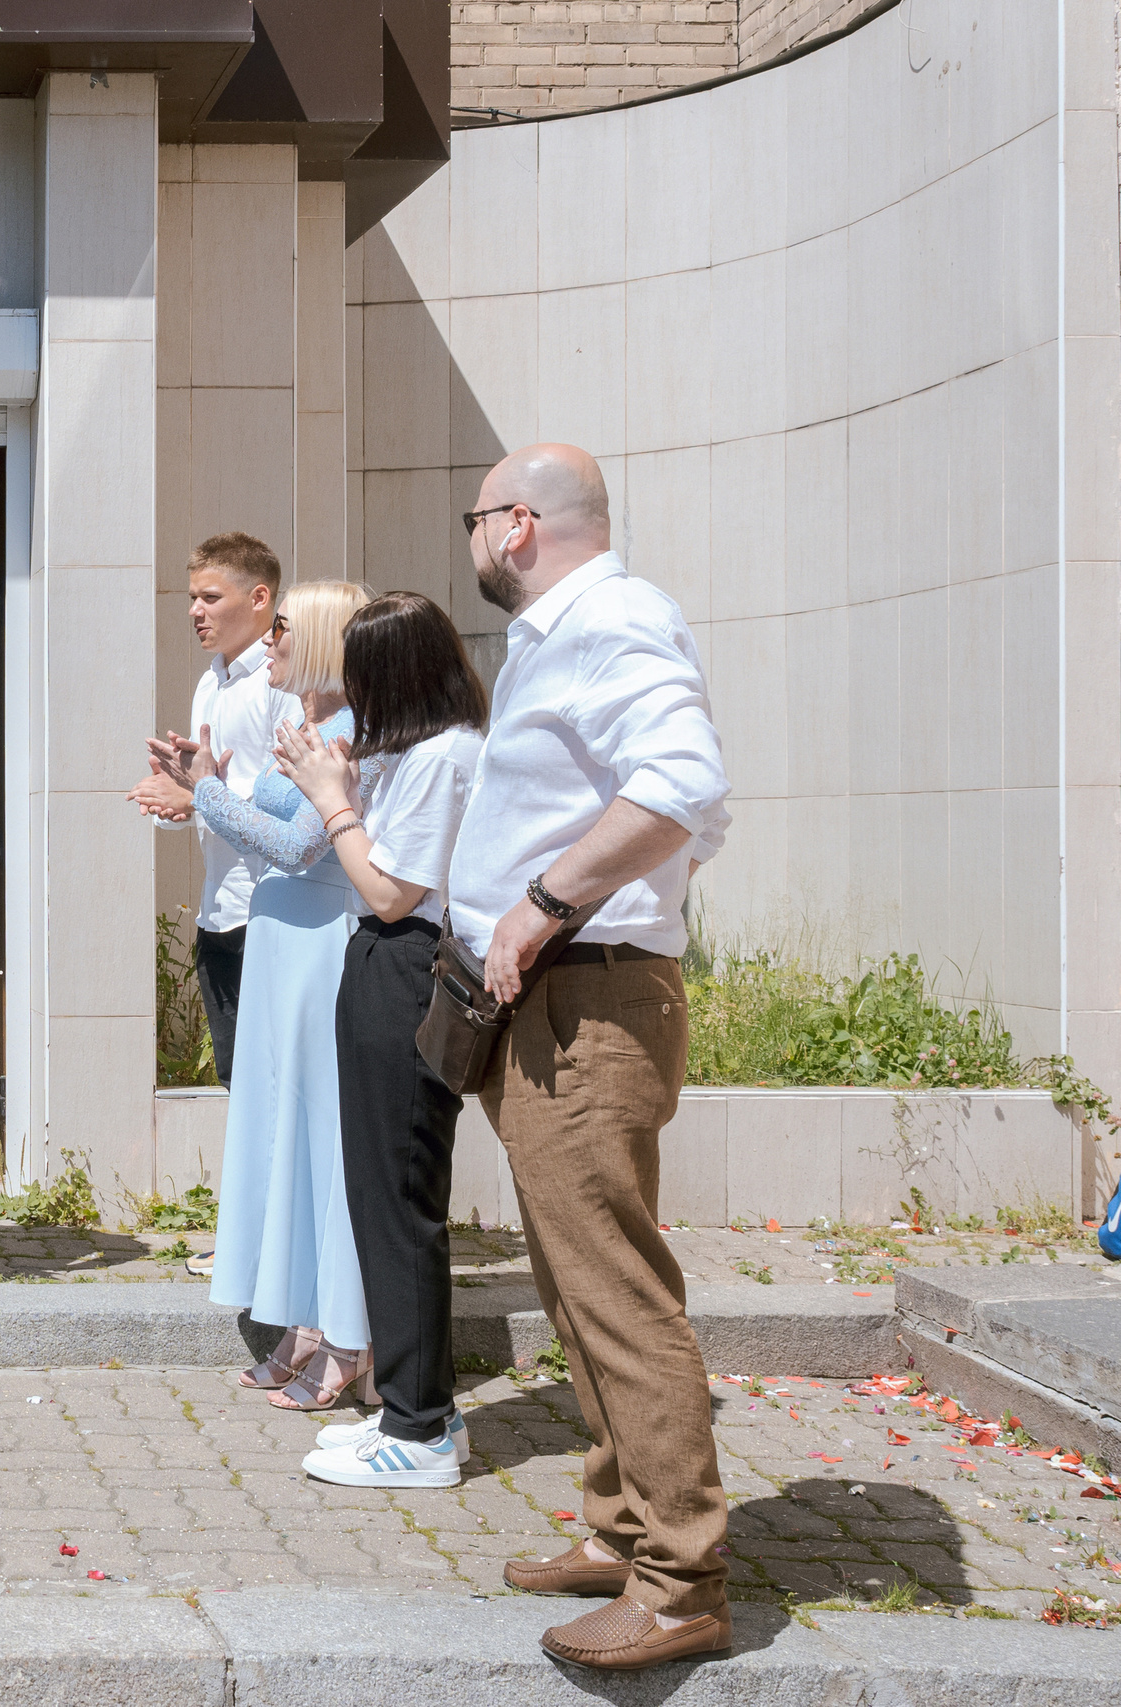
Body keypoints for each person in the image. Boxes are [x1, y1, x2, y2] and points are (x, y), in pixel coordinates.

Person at [454, 444, 734, 1669]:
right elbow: (679, 816)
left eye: (473, 518)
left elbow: (682, 788)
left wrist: (544, 902)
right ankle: (624, 1532)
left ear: (516, 522)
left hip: (585, 995)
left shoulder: (610, 618)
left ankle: (678, 1582)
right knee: (576, 1286)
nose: (471, 539)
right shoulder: (564, 633)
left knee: (613, 1291)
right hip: (561, 996)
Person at [272, 592, 487, 1490]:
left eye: (364, 672)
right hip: (385, 962)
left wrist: (332, 804)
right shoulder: (424, 750)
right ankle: (418, 1406)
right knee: (380, 1192)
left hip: (407, 963)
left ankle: (419, 1427)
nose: (353, 692)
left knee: (397, 1195)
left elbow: (394, 892)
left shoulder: (443, 756)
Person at [168, 579, 372, 1408]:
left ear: (319, 637)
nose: (271, 640)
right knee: (282, 1131)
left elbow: (296, 846)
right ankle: (300, 1317)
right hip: (281, 937)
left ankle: (341, 1329)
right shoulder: (304, 725)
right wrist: (201, 788)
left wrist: (207, 791)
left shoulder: (348, 731)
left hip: (320, 943)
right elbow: (265, 832)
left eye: (282, 627)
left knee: (320, 1136)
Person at [129, 533, 292, 1092]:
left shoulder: (281, 680)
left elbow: (293, 810)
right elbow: (208, 791)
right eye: (192, 598)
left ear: (260, 598)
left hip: (272, 911)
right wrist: (177, 791)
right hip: (218, 911)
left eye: (211, 597)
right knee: (236, 1084)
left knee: (276, 1086)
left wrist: (199, 797)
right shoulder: (210, 682)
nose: (195, 611)